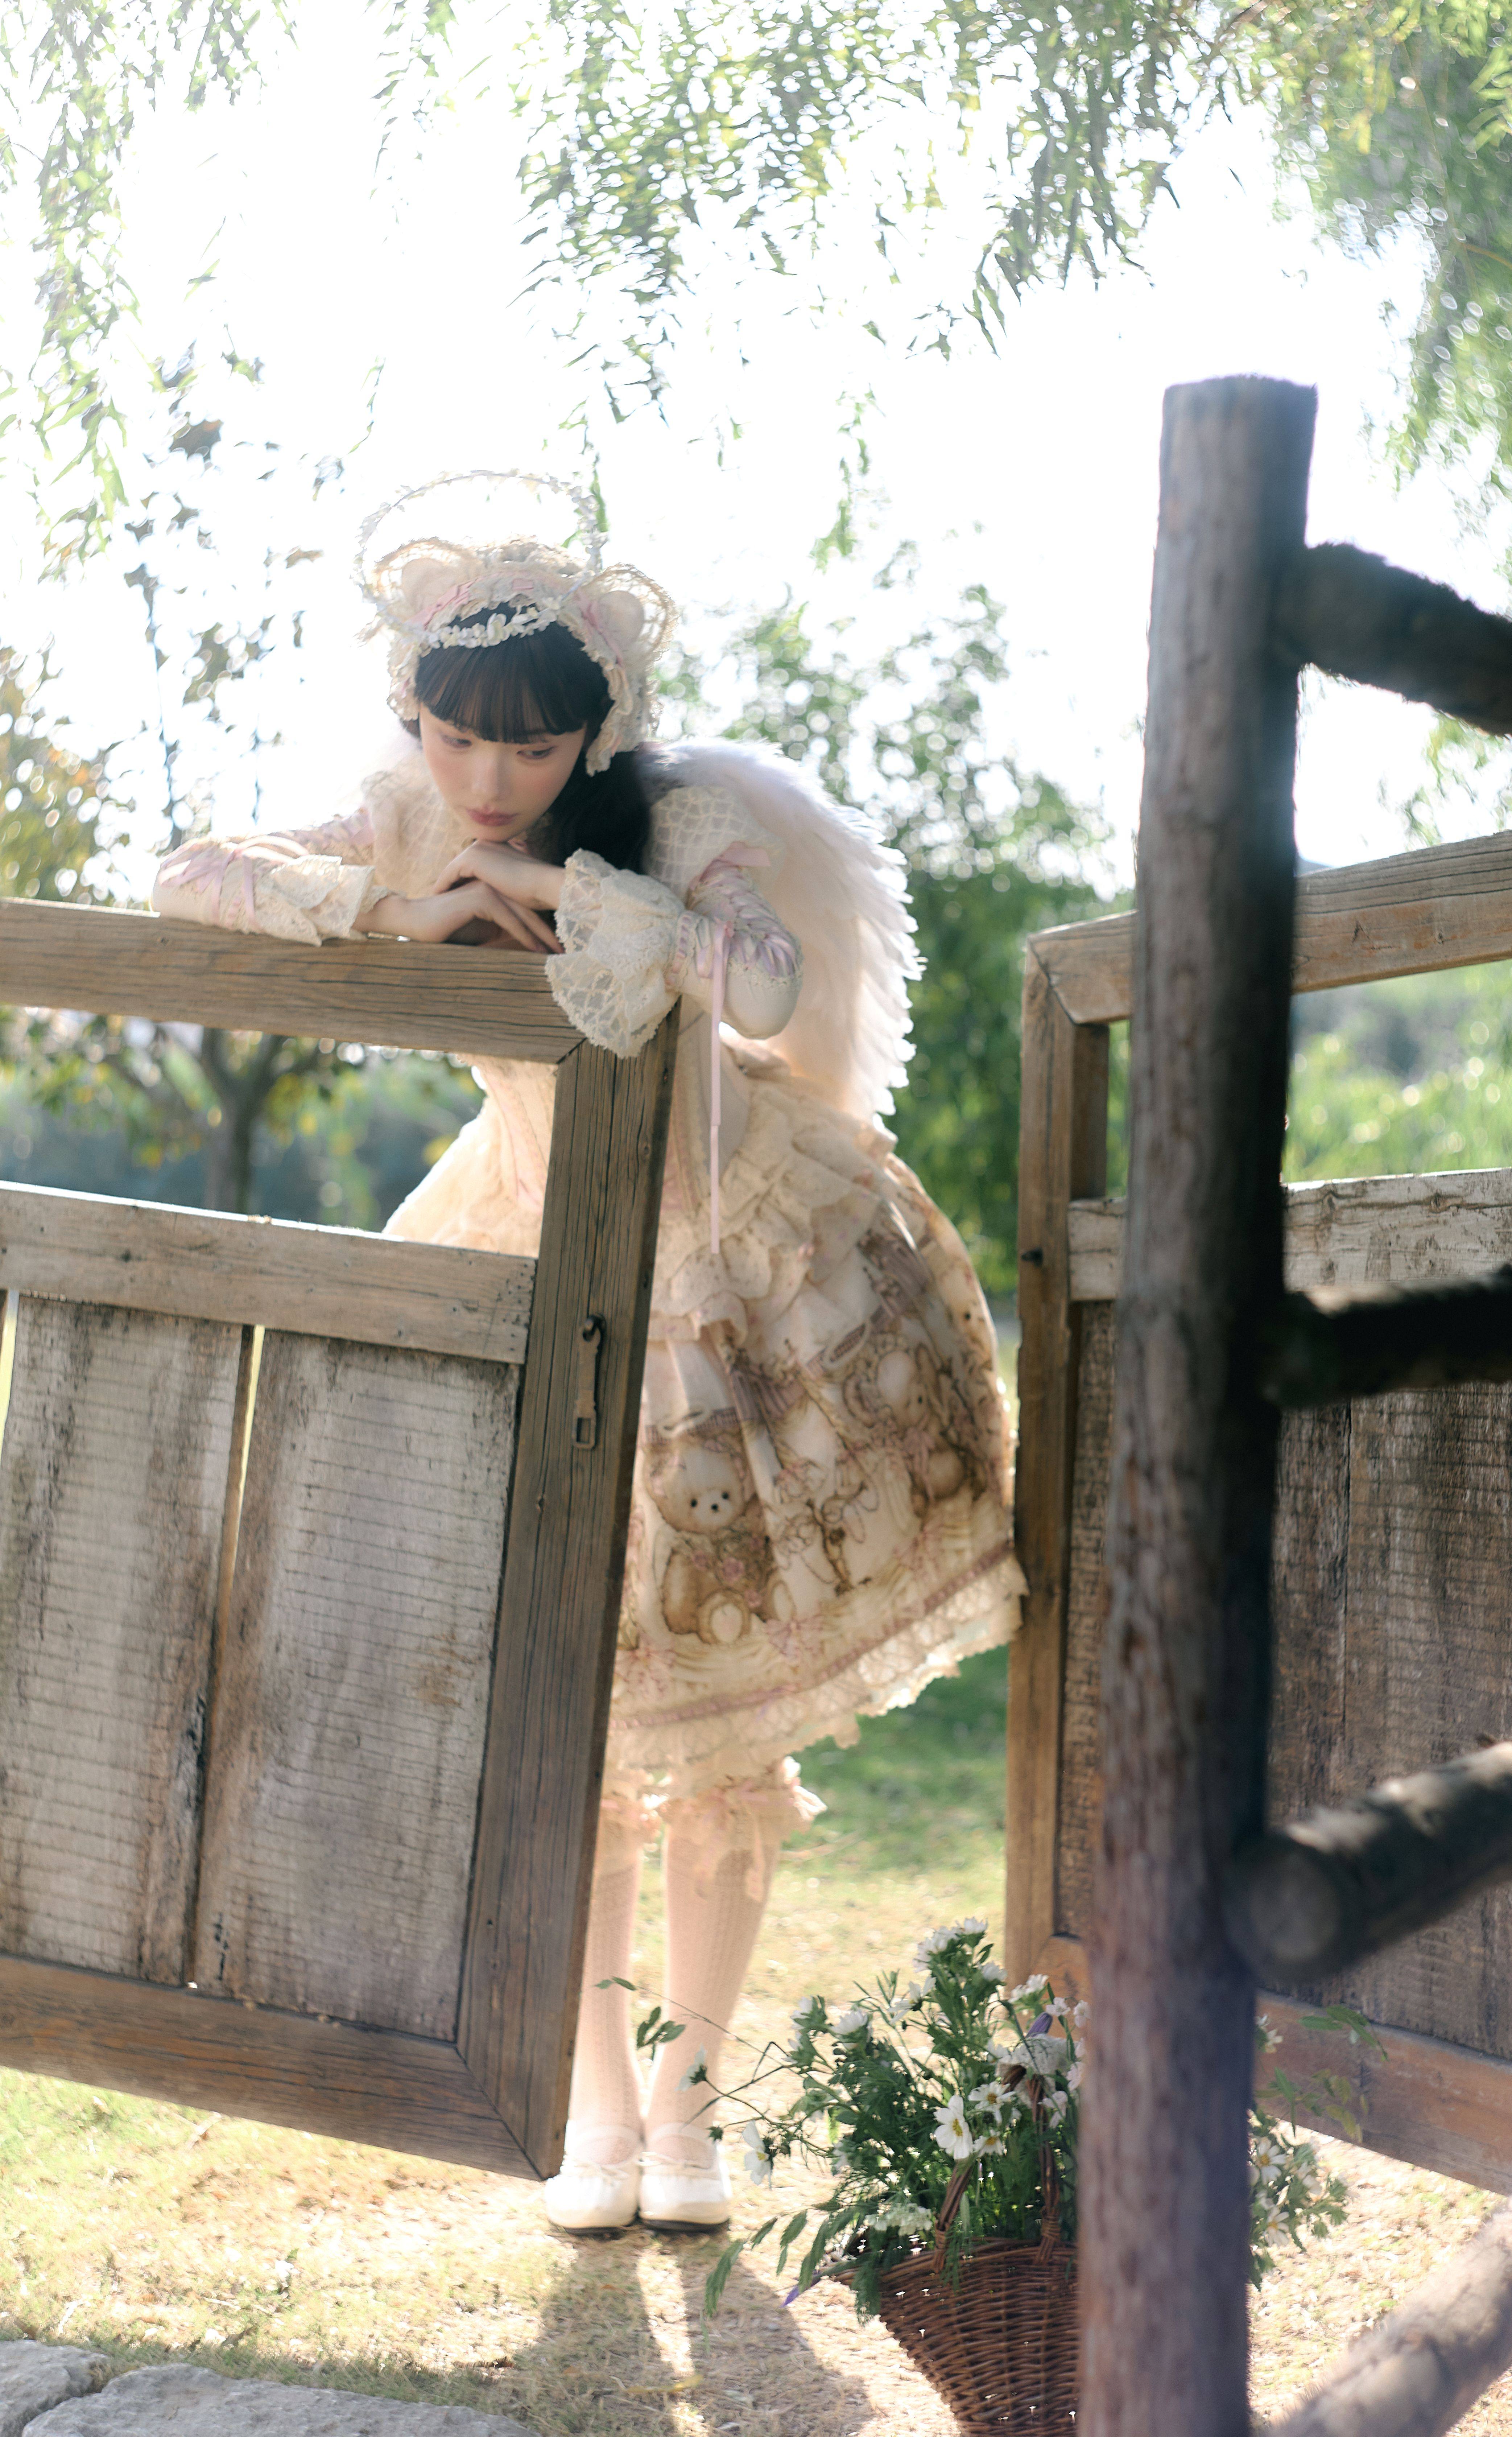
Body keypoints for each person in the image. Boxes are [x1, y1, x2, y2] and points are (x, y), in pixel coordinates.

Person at [153, 471, 1024, 2234]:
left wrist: (563, 887)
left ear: (594, 727)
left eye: (533, 745)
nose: (489, 778)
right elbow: (184, 876)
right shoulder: (407, 821)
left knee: (712, 1736)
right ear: (413, 715)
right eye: (459, 737)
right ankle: (596, 2119)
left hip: (734, 1268)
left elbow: (762, 991)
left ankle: (691, 2123)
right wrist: (408, 912)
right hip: (523, 1249)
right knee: (547, 1725)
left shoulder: (674, 812)